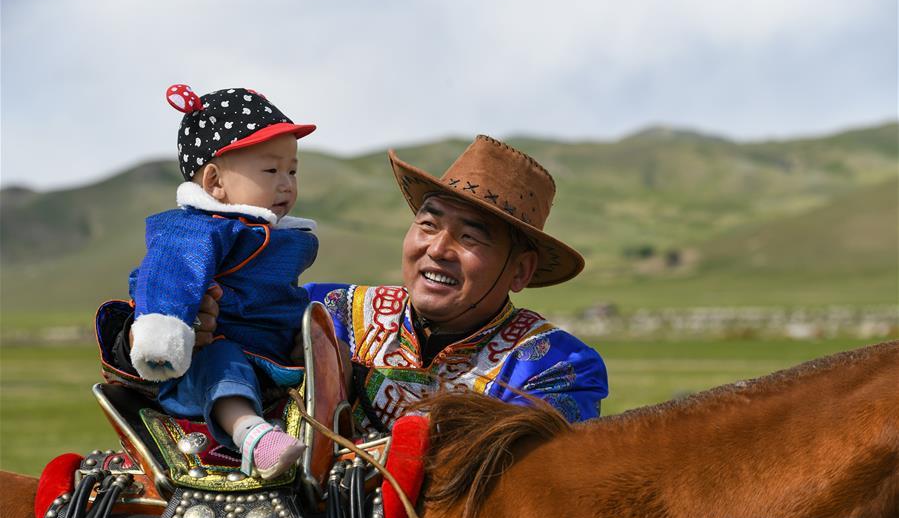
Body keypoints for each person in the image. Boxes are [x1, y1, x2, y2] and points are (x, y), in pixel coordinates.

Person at [104, 134, 608, 433]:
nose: (437, 249)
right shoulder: (327, 310)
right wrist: (188, 330)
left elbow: (516, 477)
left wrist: (355, 380)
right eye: (428, 224)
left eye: (470, 237)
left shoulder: (559, 366)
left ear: (520, 271)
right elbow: (189, 355)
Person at [127, 83, 318, 479]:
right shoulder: (198, 229)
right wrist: (163, 333)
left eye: (293, 170)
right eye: (271, 170)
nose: (286, 182)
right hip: (209, 362)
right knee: (222, 362)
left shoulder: (280, 237)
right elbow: (170, 274)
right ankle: (253, 436)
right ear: (214, 182)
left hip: (270, 356)